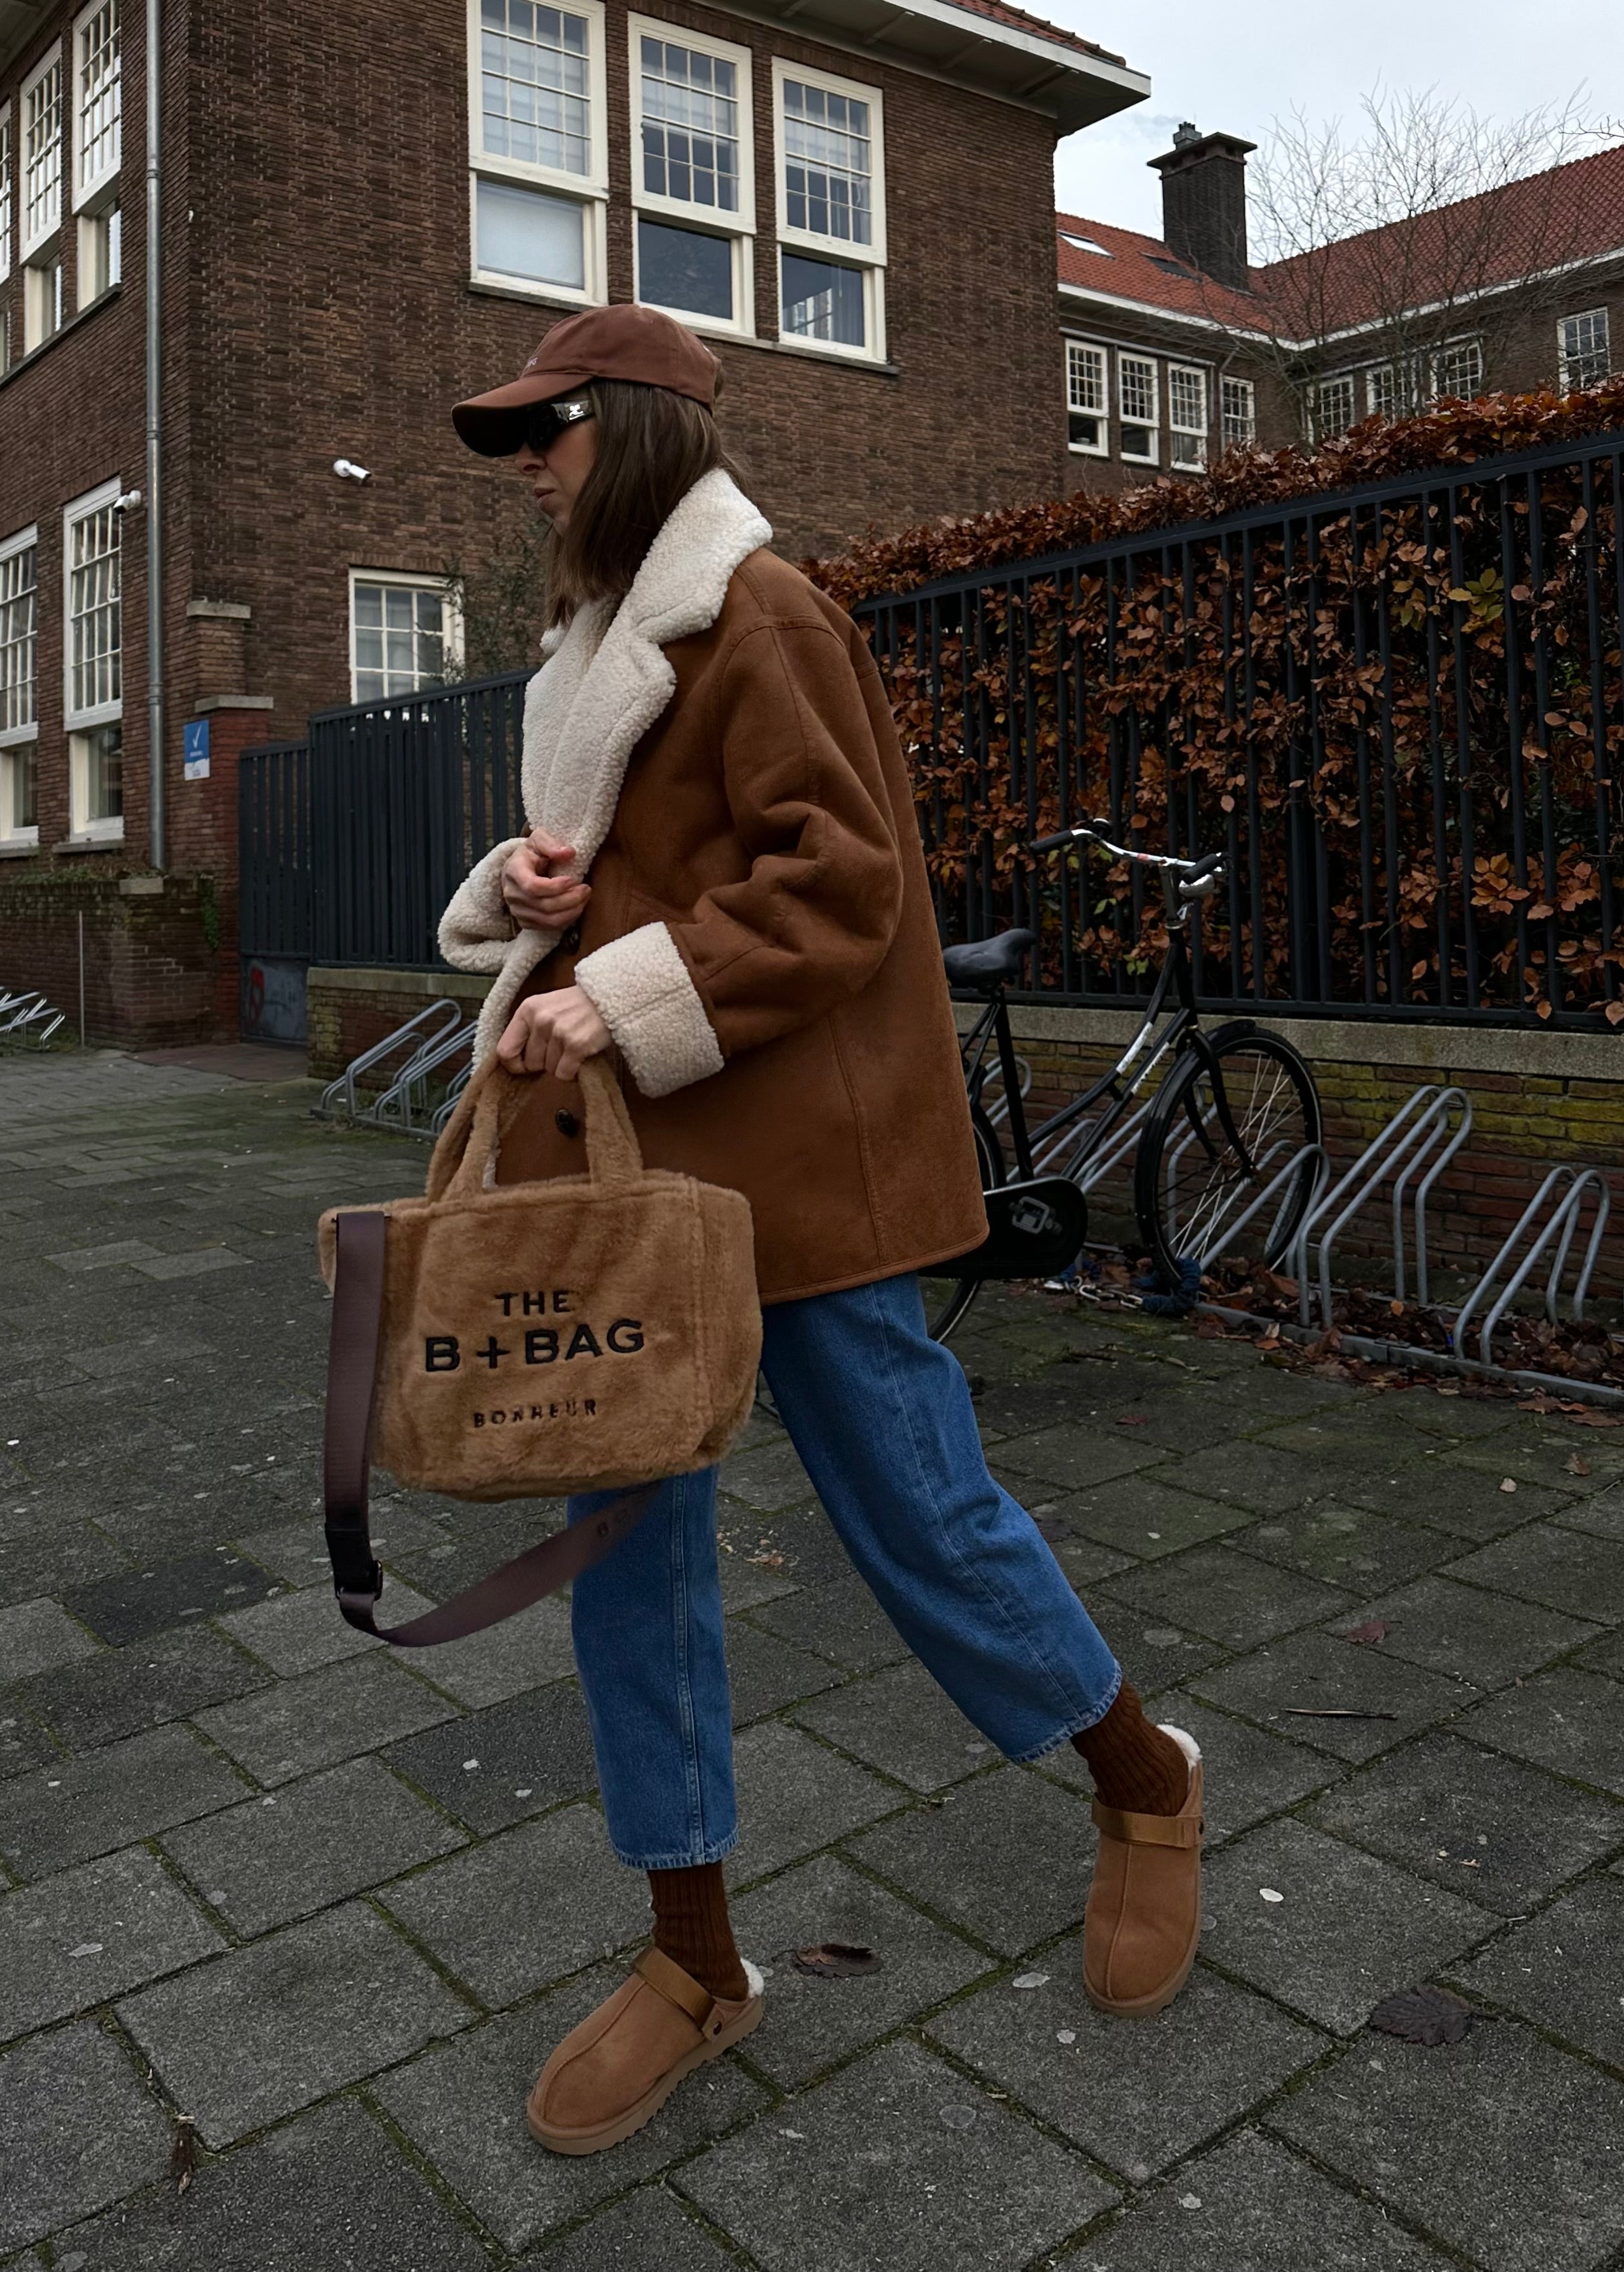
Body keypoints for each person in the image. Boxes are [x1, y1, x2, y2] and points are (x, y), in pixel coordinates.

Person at [442, 304, 1204, 2158]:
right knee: (628, 1560)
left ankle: (1141, 1781)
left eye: (540, 431)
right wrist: (531, 883)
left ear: (624, 430)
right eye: (511, 438)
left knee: (918, 1510)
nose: (522, 464)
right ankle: (693, 1955)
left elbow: (839, 881)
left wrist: (610, 993)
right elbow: (652, 866)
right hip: (634, 1194)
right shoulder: (595, 641)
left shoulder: (758, 607)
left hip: (805, 1173)